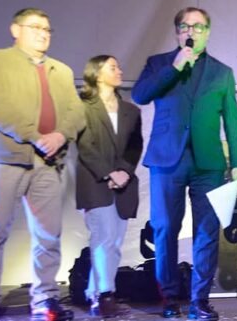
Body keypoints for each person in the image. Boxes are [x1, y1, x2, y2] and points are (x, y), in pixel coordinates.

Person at [131, 7, 237, 320]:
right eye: (184, 26)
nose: (191, 31)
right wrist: (174, 67)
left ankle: (200, 301)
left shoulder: (222, 72)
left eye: (198, 26)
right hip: (167, 161)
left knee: (207, 232)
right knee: (165, 228)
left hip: (208, 163)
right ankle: (169, 297)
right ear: (177, 32)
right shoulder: (158, 64)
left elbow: (233, 123)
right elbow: (140, 95)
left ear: (207, 32)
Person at [0, 8, 85, 321]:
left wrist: (61, 134)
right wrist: (36, 136)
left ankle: (45, 300)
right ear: (15, 29)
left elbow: (76, 112)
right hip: (3, 160)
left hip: (48, 164)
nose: (43, 33)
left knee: (48, 236)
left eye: (48, 28)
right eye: (35, 26)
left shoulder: (60, 71)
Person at [76, 55, 143, 317]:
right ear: (96, 73)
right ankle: (106, 295)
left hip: (124, 184)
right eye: (112, 67)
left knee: (114, 241)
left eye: (118, 67)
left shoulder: (131, 111)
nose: (119, 70)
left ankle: (96, 295)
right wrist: (109, 173)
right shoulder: (82, 107)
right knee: (102, 236)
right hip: (95, 182)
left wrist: (124, 171)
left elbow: (134, 145)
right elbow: (85, 146)